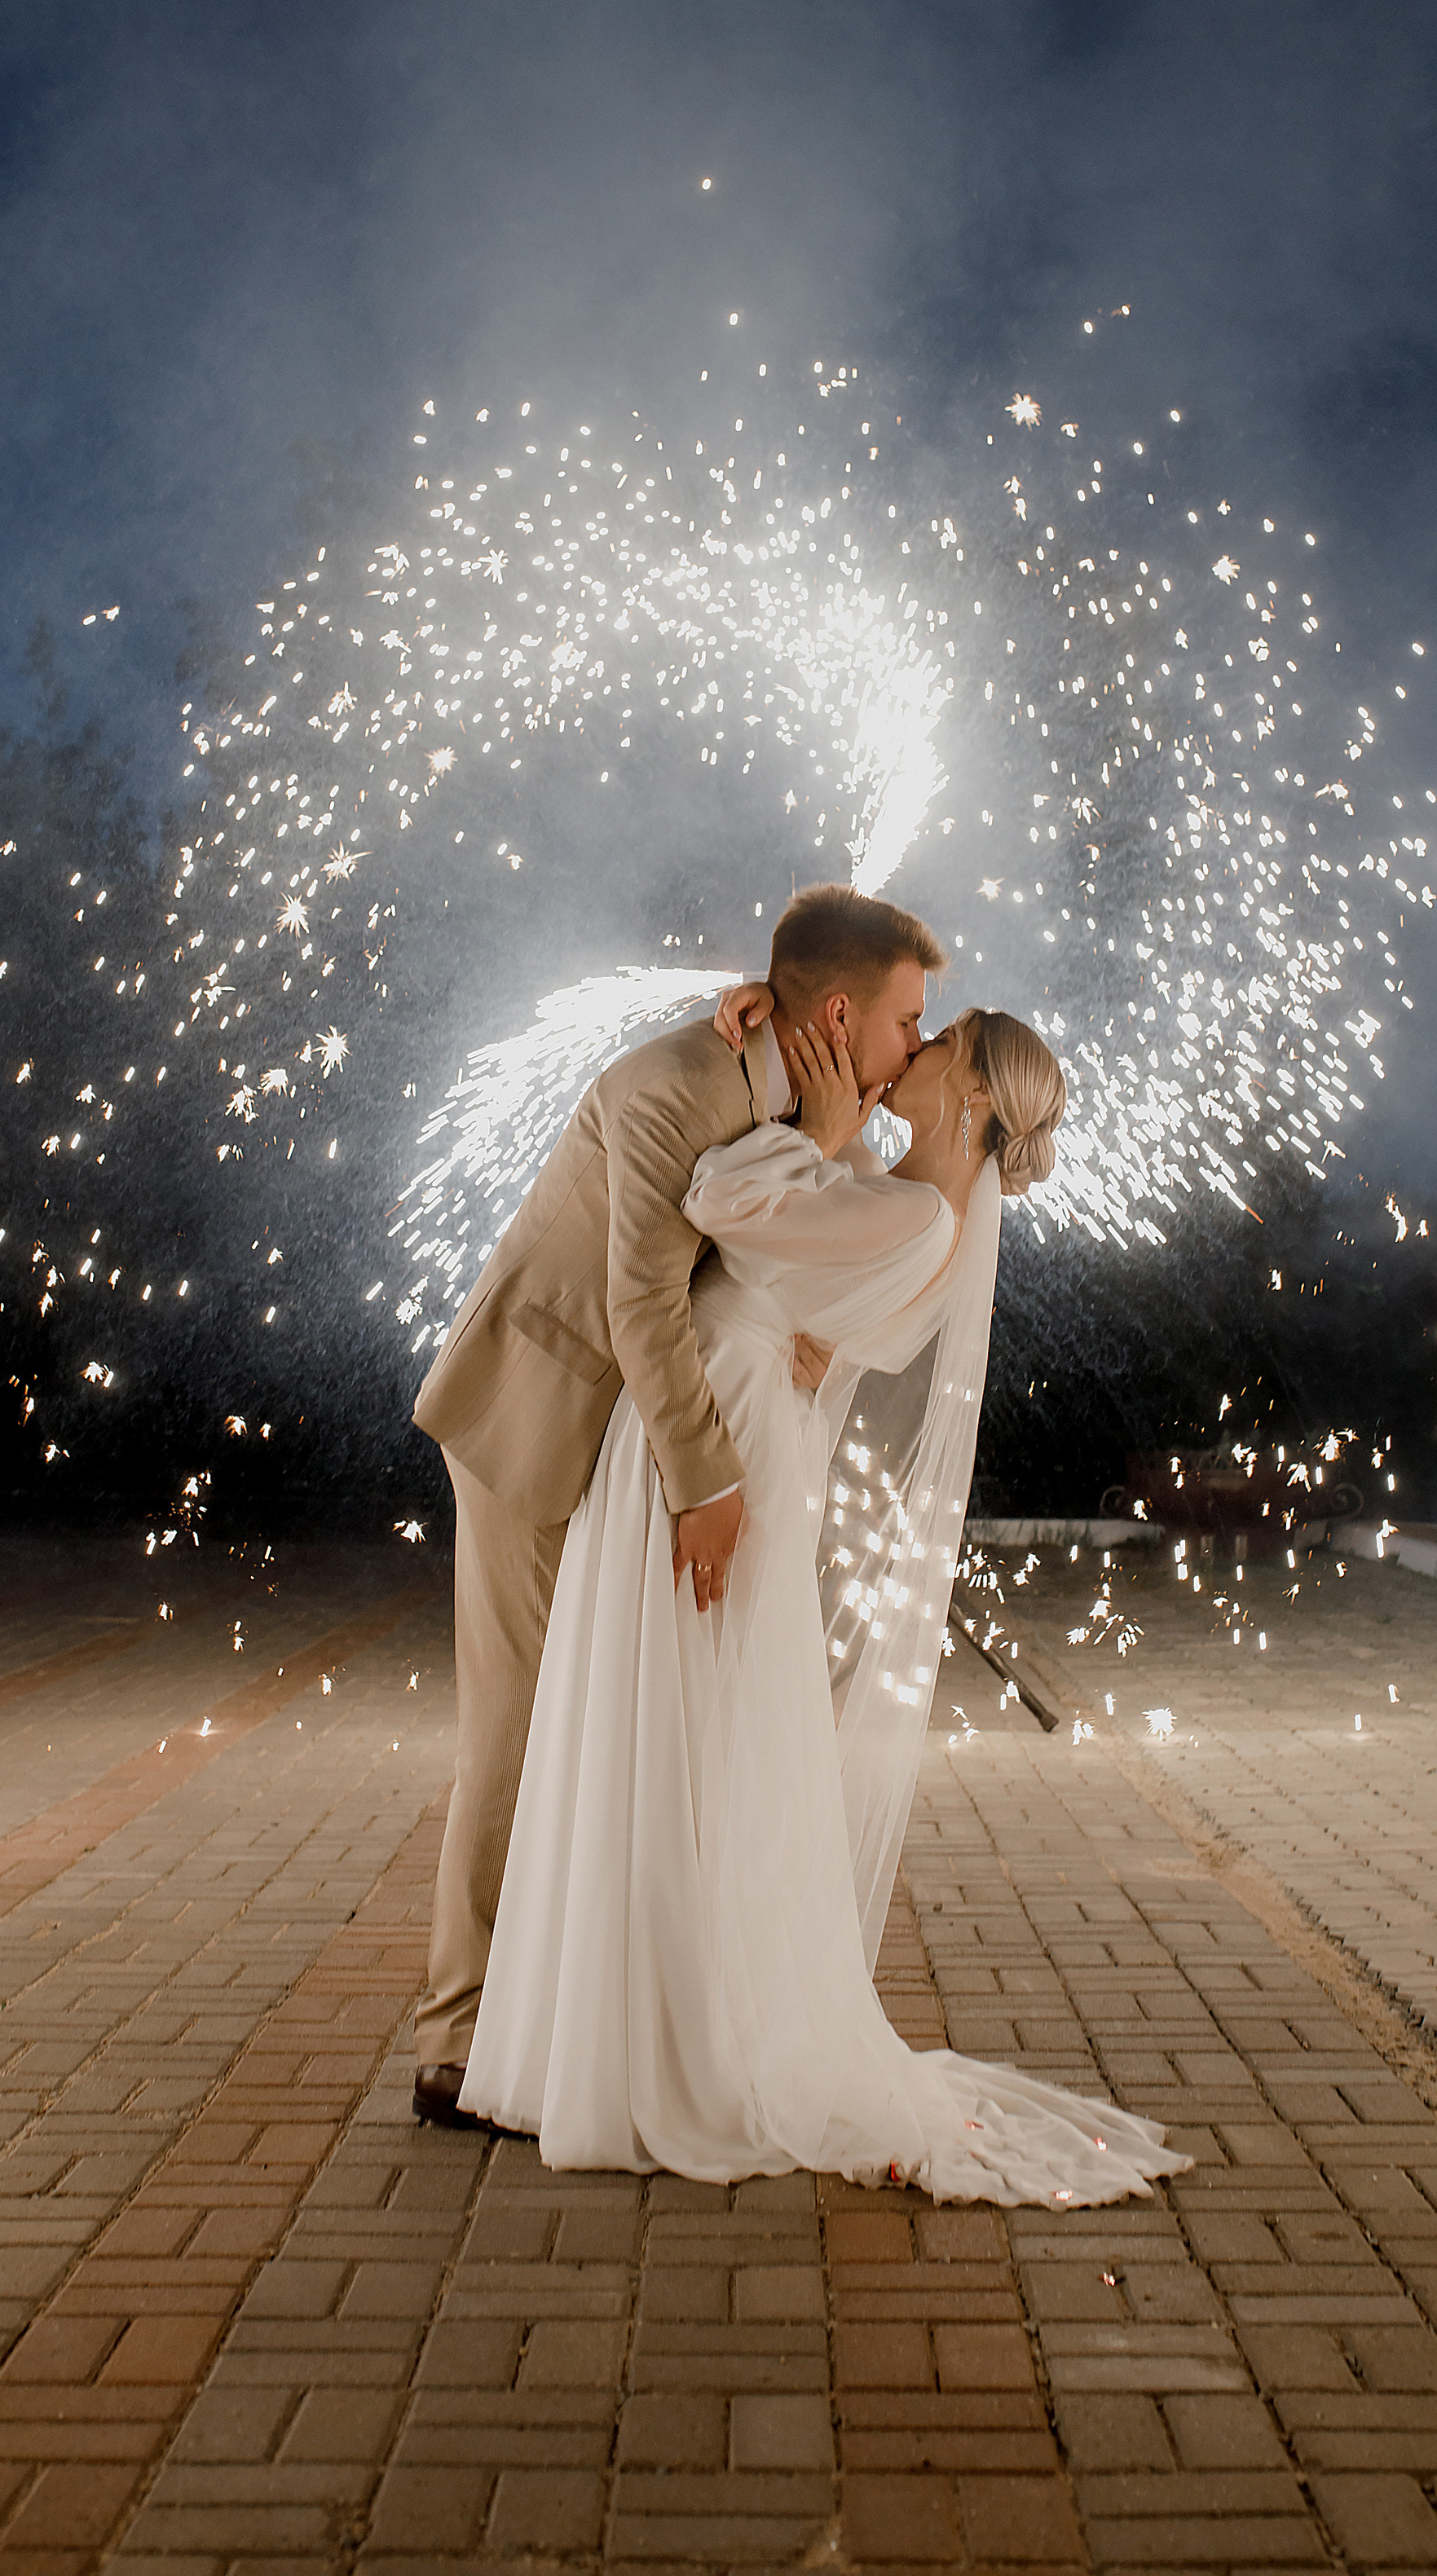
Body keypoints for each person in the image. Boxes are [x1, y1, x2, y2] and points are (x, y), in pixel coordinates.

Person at [461, 1000, 1189, 2206]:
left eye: (937, 1044)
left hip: (722, 1447)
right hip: (735, 1423)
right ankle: (636, 2033)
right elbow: (805, 1298)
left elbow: (721, 1201)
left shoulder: (909, 1211)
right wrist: (834, 1152)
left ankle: (645, 2049)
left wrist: (826, 1123)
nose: (913, 1050)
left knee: (677, 1723)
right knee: (690, 1729)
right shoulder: (922, 1216)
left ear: (972, 1098)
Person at [408, 883, 946, 2127]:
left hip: (637, 1447)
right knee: (521, 1723)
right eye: (910, 1021)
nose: (916, 1047)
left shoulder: (814, 1092)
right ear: (842, 1010)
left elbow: (815, 1220)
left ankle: (584, 2015)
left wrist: (830, 1134)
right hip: (541, 1416)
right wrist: (707, 1483)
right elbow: (642, 1302)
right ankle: (459, 2037)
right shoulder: (669, 1089)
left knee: (613, 1730)